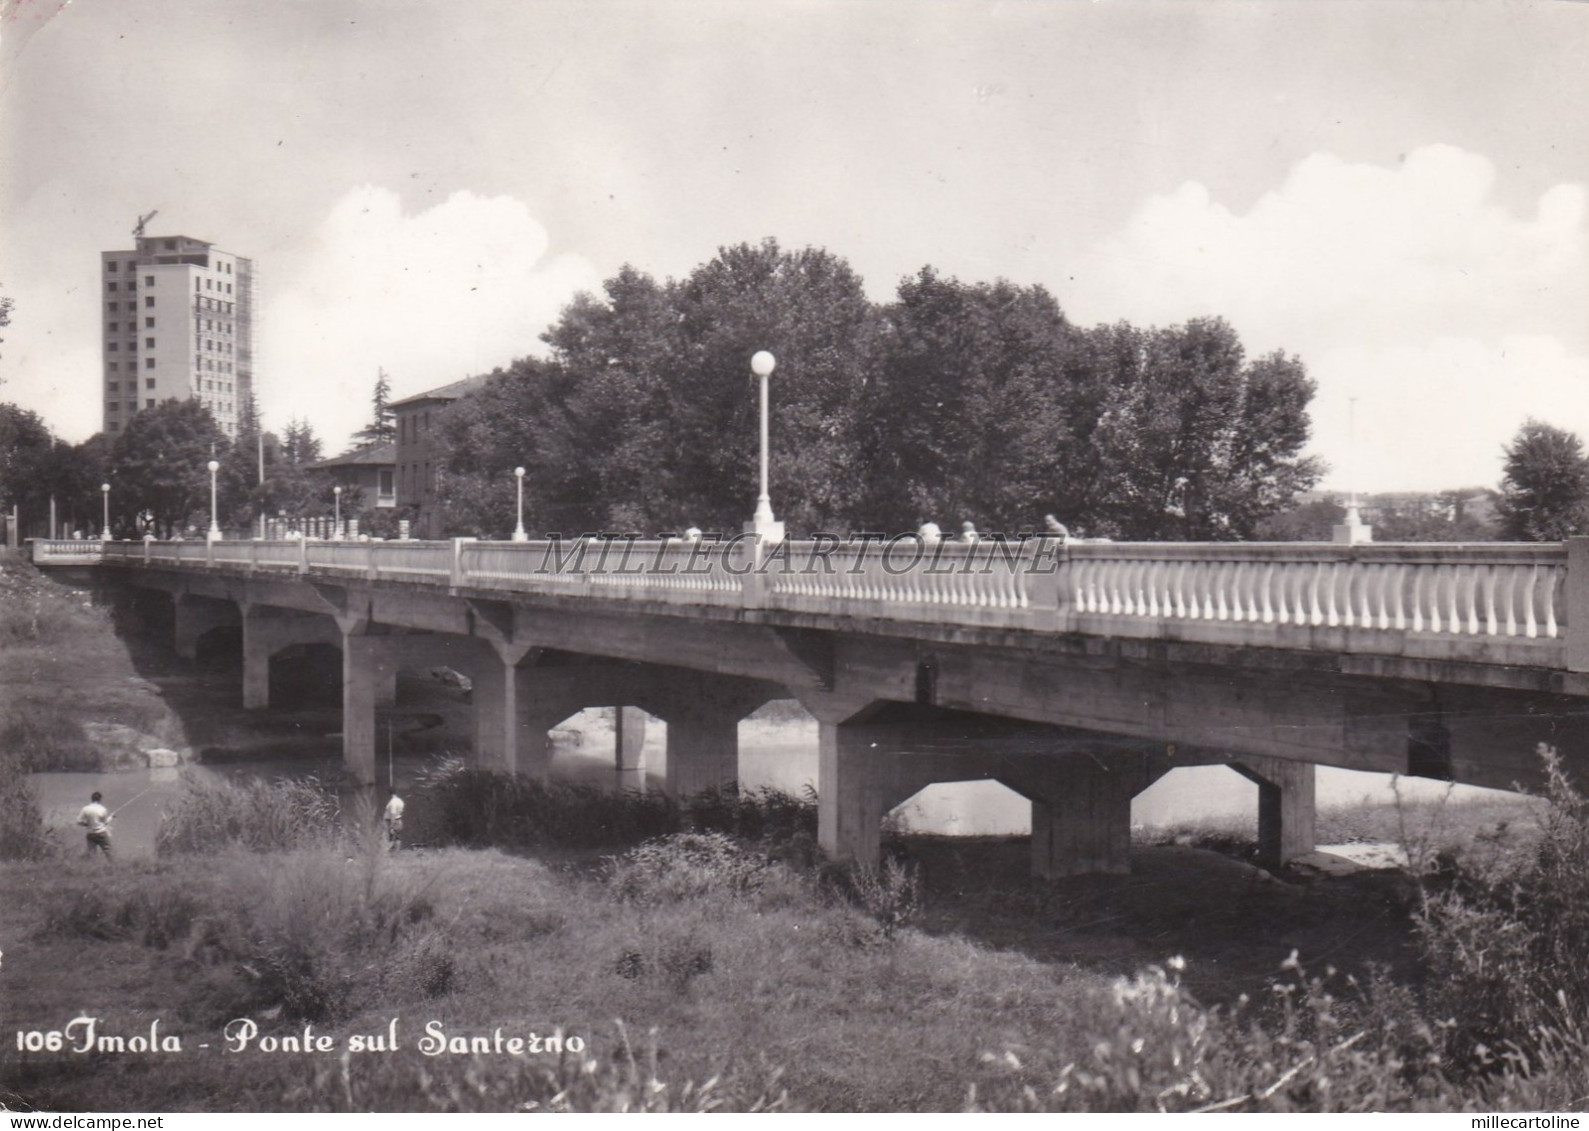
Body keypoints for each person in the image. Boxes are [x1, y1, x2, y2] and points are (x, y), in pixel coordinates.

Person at [77, 791, 112, 858]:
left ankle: (92, 866)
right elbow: (105, 823)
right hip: (101, 833)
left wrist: (87, 824)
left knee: (92, 853)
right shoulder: (103, 809)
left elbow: (78, 821)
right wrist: (111, 817)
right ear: (100, 799)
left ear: (91, 799)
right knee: (108, 851)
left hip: (90, 834)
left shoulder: (85, 809)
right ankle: (114, 866)